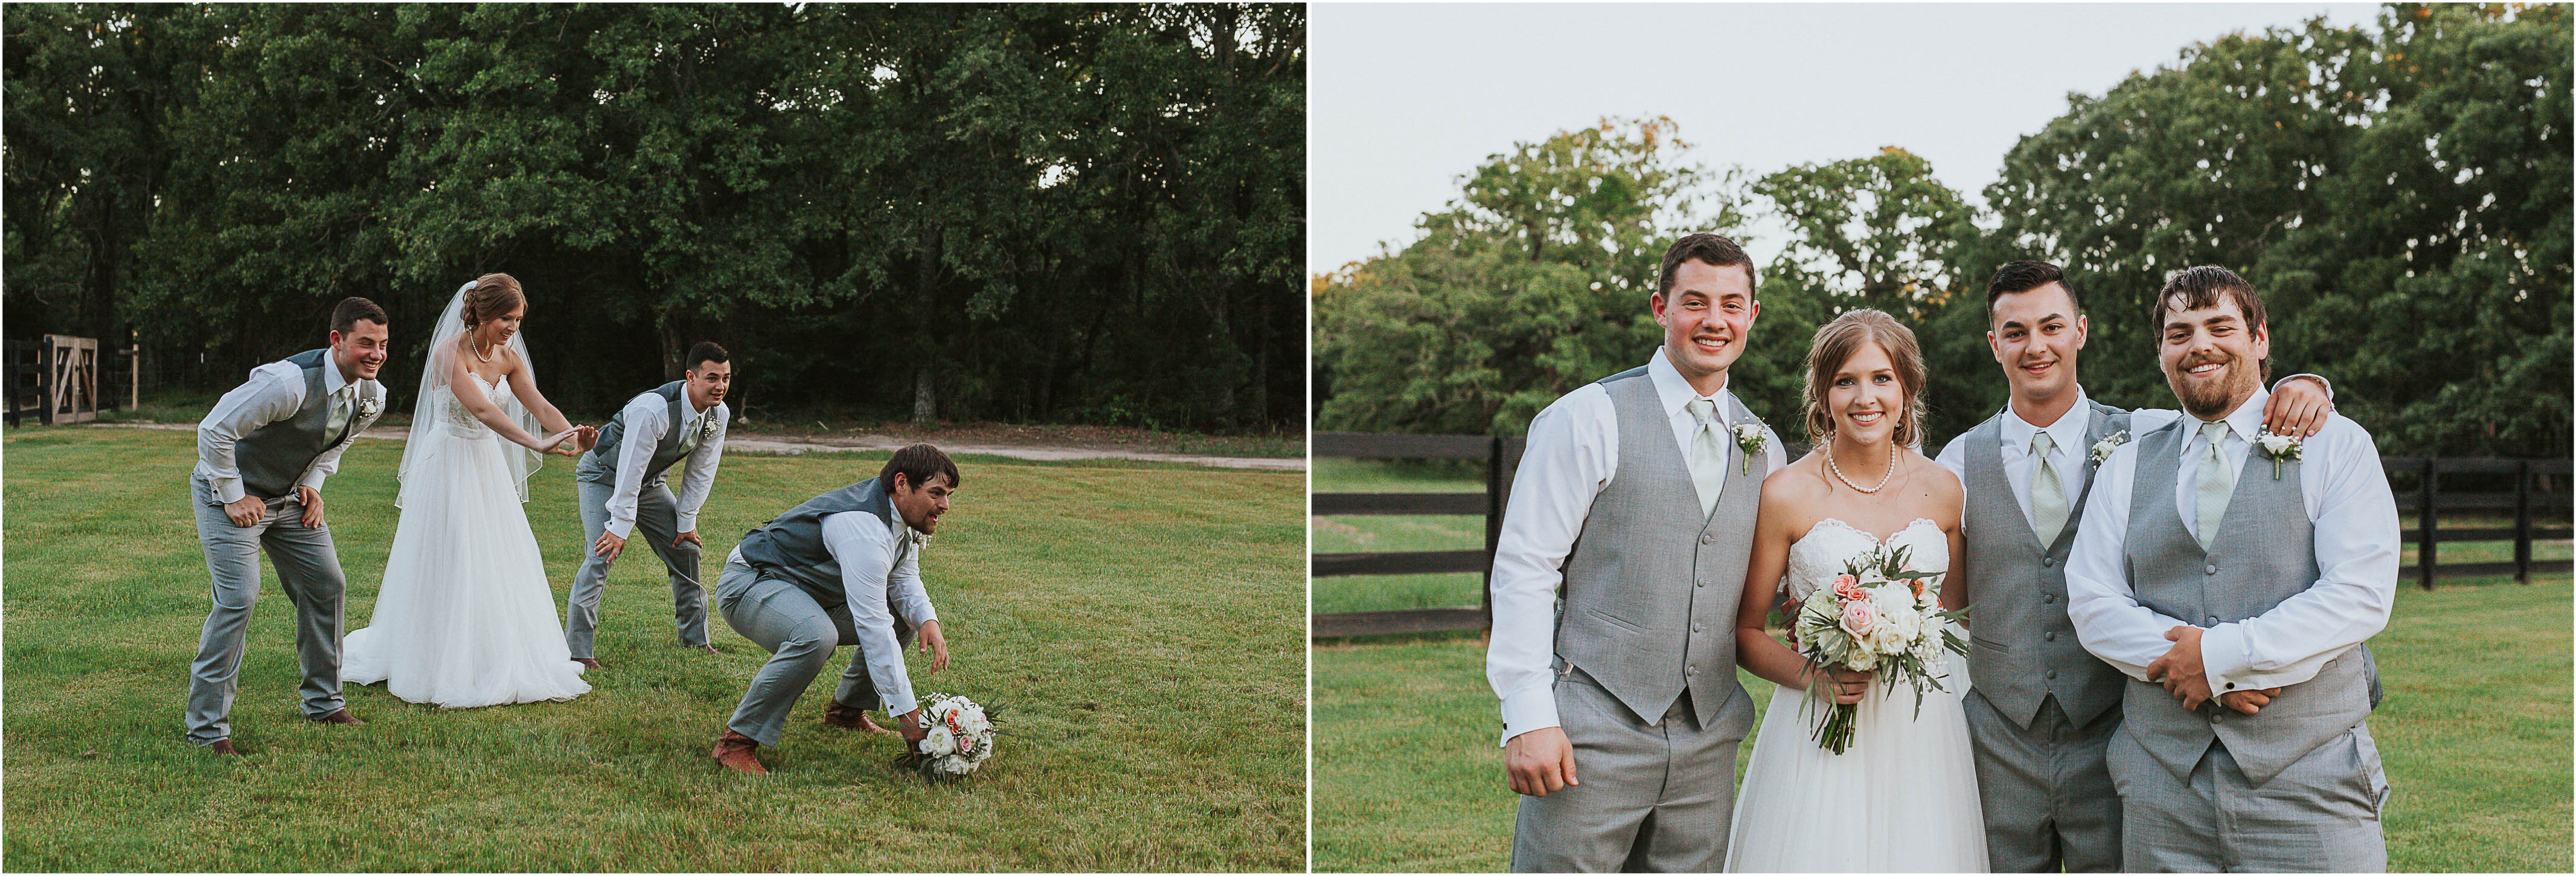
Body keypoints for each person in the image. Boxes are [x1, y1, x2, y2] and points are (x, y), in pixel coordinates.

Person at [1933, 260, 2336, 871]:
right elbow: (1942, 591)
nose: (2036, 346)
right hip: (1997, 735)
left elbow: (2231, 402)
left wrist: (2309, 384)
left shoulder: (2148, 435)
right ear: (1995, 345)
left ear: (2081, 330)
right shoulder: (1959, 460)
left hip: (2114, 728)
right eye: (2015, 333)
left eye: (2052, 326)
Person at [2066, 266, 2397, 872]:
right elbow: (2092, 601)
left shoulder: (2336, 444)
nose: (2200, 345)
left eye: (2220, 325)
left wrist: (2220, 659)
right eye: (2179, 332)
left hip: (2311, 776)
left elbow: (2359, 593)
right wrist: (2187, 664)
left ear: (2260, 338)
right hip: (2165, 786)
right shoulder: (2128, 462)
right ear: (2163, 354)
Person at [1486, 233, 1788, 871]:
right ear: (1660, 308)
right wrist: (1528, 715)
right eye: (1695, 302)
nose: (1714, 320)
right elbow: (1525, 569)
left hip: (1710, 739)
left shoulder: (1765, 446)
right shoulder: (1587, 417)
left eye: (1732, 304)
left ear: (1752, 316)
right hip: (1590, 727)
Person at [1725, 308, 1987, 872]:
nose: (1864, 397)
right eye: (1845, 381)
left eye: (1881, 378)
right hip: (1820, 724)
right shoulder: (1787, 493)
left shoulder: (1944, 490)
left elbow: (1956, 614)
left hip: (1922, 730)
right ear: (1822, 394)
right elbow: (1746, 632)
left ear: (1907, 388)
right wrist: (1814, 677)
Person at [341, 274, 595, 708]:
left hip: (486, 466)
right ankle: (436, 657)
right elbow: (479, 409)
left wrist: (573, 435)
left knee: (497, 554)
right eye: (505, 319)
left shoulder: (509, 358)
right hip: (447, 463)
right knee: (452, 551)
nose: (513, 328)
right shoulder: (448, 352)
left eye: (518, 320)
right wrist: (535, 443)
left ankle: (491, 652)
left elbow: (541, 406)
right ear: (481, 313)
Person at [184, 297, 394, 755]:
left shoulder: (372, 396)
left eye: (382, 344)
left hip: (289, 501)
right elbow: (214, 430)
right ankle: (207, 731)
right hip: (229, 498)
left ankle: (324, 703)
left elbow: (336, 444)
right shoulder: (287, 383)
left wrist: (314, 483)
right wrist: (234, 496)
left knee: (327, 584)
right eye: (365, 344)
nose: (376, 354)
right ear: (337, 341)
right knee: (238, 598)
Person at [708, 443, 958, 776]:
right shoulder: (865, 530)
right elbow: (874, 628)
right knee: (815, 635)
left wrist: (927, 619)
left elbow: (902, 576)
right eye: (936, 493)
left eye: (948, 495)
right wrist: (910, 720)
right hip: (749, 583)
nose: (945, 505)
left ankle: (846, 713)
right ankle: (736, 742)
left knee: (905, 617)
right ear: (902, 484)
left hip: (804, 593)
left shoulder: (899, 513)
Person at [563, 341, 732, 669]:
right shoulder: (652, 409)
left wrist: (686, 521)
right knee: (602, 553)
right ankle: (579, 651)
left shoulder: (718, 414)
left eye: (726, 378)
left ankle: (696, 640)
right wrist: (619, 527)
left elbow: (701, 471)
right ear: (691, 377)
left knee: (686, 549)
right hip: (605, 476)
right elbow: (629, 469)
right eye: (712, 378)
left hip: (650, 483)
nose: (720, 386)